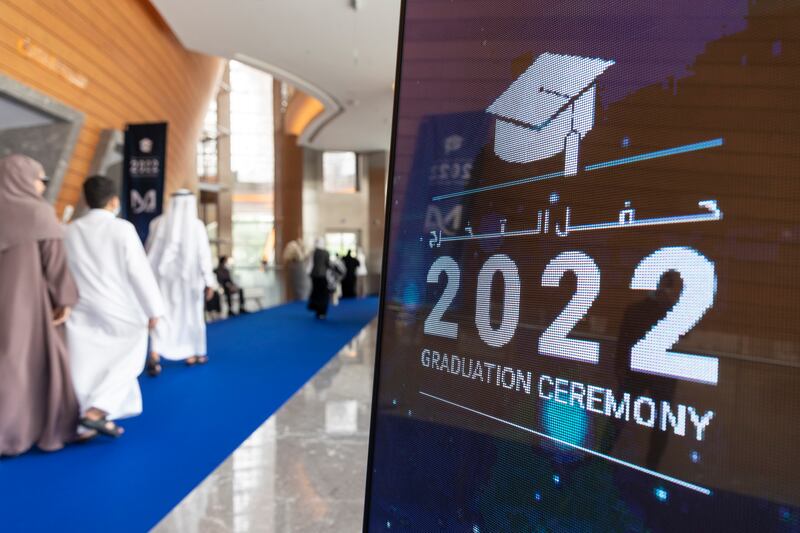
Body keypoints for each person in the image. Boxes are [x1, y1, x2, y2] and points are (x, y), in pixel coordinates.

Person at [64, 176, 164, 438]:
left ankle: (82, 424)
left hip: (80, 308)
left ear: (86, 200)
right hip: (119, 307)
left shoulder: (69, 230)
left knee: (83, 365)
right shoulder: (122, 229)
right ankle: (96, 413)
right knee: (130, 357)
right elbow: (139, 272)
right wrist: (154, 310)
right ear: (114, 201)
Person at [0, 154, 82, 455]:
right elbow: (55, 263)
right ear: (22, 178)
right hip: (26, 303)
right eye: (40, 179)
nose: (42, 186)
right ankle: (16, 433)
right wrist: (65, 299)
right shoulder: (39, 213)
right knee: (23, 363)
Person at [146, 190, 216, 367]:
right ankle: (193, 353)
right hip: (189, 283)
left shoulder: (157, 223)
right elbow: (204, 256)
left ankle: (156, 352)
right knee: (190, 317)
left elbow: (149, 253)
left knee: (163, 315)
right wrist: (209, 281)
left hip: (162, 282)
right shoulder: (196, 226)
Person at [307, 238, 332, 318]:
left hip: (314, 276)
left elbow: (310, 264)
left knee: (316, 292)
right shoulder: (326, 253)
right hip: (323, 276)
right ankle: (322, 312)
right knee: (323, 294)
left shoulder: (312, 253)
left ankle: (317, 310)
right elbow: (328, 265)